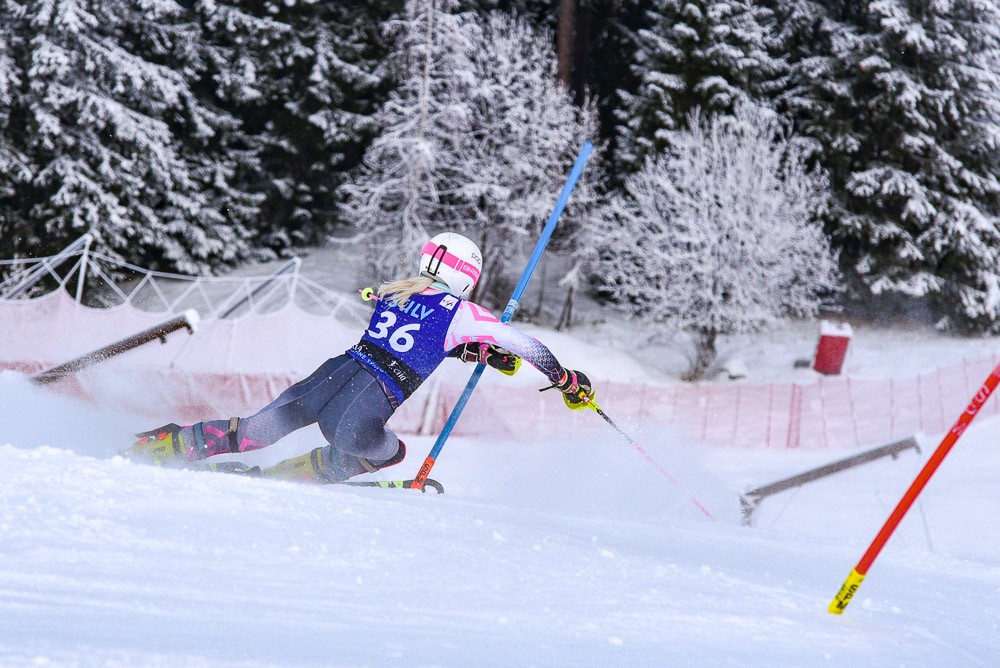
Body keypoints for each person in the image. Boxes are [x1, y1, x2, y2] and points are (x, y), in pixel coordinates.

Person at [125, 232, 594, 483]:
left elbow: (415, 336)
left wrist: (475, 351)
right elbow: (528, 346)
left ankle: (165, 445)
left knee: (254, 431)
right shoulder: (463, 312)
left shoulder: (394, 291)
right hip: (364, 406)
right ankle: (305, 472)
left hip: (332, 376)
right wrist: (566, 380)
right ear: (467, 275)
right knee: (390, 451)